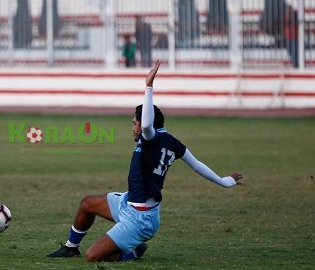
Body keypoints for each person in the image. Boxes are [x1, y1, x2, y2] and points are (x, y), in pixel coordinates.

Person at [46, 60, 243, 262]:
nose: (133, 127)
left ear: (145, 124)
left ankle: (131, 252)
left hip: (140, 218)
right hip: (129, 202)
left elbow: (147, 124)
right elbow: (197, 165)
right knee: (87, 203)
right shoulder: (172, 142)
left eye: (134, 123)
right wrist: (225, 181)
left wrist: (148, 86)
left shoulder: (151, 137)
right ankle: (71, 248)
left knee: (93, 256)